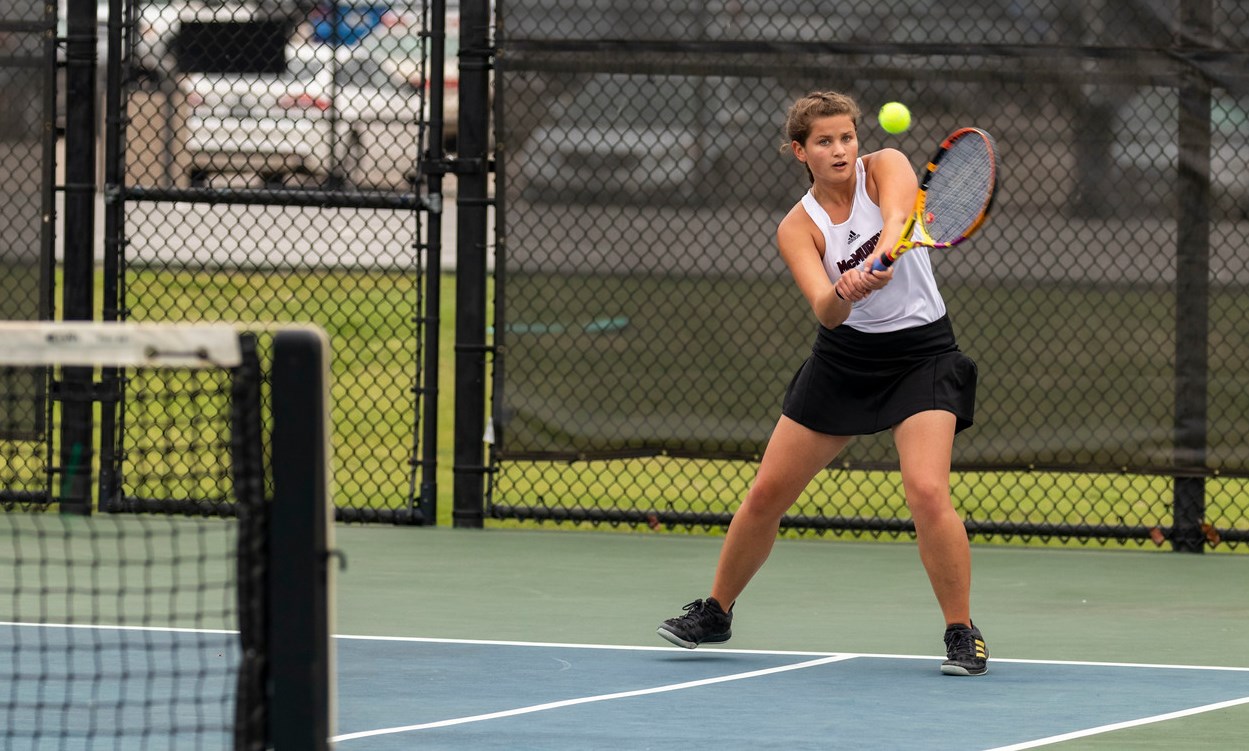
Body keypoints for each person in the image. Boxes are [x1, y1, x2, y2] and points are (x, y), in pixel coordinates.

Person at [656, 91, 987, 676]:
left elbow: (898, 218)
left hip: (923, 354)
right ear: (799, 152)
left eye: (846, 137)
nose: (840, 150)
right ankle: (716, 611)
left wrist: (882, 258)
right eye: (824, 142)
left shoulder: (886, 166)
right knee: (765, 495)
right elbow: (823, 310)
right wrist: (845, 291)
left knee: (928, 491)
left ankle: (961, 631)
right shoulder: (796, 227)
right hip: (845, 361)